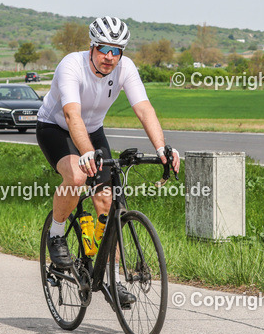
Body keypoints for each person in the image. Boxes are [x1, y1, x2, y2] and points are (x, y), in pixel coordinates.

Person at [36, 16, 179, 306]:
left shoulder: (125, 68)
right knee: (76, 176)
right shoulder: (71, 65)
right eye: (104, 49)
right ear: (92, 46)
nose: (110, 57)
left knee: (108, 200)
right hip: (55, 128)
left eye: (117, 51)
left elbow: (144, 109)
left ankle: (110, 276)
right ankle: (57, 234)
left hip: (92, 131)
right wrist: (85, 153)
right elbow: (71, 115)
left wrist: (162, 148)